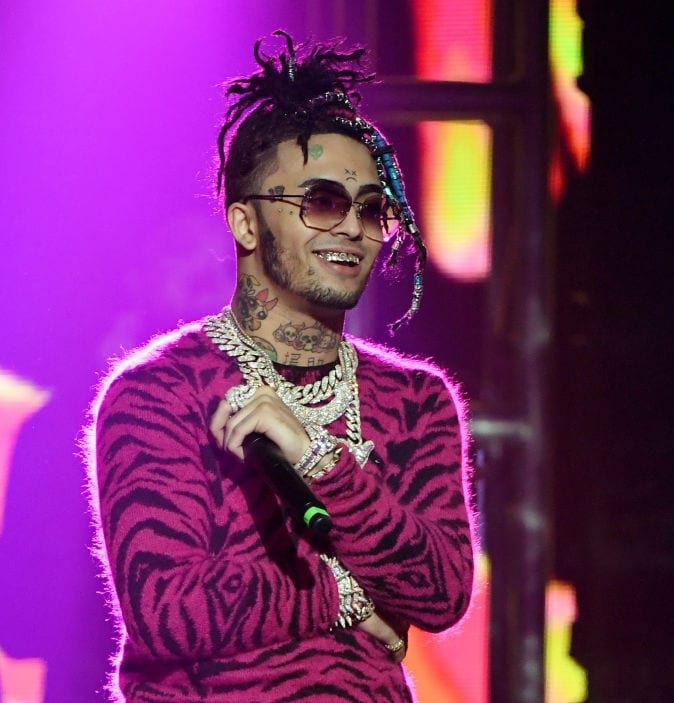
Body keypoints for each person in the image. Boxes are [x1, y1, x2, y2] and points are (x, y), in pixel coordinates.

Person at [84, 32, 475, 702]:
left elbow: (441, 591)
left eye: (371, 208)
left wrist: (314, 455)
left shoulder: (417, 400)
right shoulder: (158, 393)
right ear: (245, 224)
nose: (352, 228)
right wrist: (349, 592)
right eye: (321, 202)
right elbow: (166, 608)